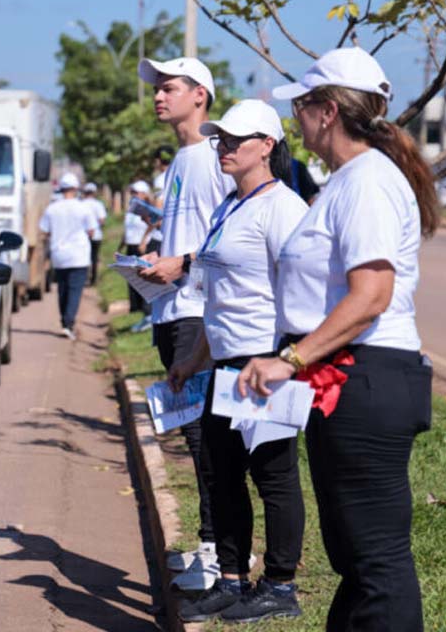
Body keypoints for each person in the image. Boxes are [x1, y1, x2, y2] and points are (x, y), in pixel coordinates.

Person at [238, 47, 439, 632]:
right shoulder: (351, 180)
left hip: (366, 380)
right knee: (356, 557)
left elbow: (371, 293)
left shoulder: (368, 182)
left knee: (376, 561)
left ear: (327, 111)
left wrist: (291, 358)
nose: (294, 120)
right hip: (348, 378)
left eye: (300, 106)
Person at [167, 100, 309, 623]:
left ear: (266, 146)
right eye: (219, 140)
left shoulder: (283, 208)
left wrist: (285, 360)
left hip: (263, 362)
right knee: (221, 471)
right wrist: (192, 359)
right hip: (225, 363)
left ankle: (280, 585)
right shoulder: (230, 206)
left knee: (273, 475)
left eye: (234, 140)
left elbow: (302, 295)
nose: (223, 148)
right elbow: (216, 297)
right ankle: (231, 579)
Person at [135, 56, 236, 591]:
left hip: (197, 312)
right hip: (170, 307)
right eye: (156, 88)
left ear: (200, 95)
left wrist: (183, 263)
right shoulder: (181, 159)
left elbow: (231, 236)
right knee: (192, 434)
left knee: (204, 438)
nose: (158, 95)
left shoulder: (212, 160)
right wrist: (157, 256)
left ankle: (218, 555)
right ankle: (207, 546)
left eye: (169, 87)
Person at [39, 172, 98, 340]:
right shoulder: (83, 207)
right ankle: (68, 323)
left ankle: (65, 322)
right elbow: (92, 231)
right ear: (76, 188)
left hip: (59, 255)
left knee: (62, 290)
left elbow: (44, 230)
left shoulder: (52, 209)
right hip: (79, 255)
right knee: (75, 290)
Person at [121, 180, 152, 320]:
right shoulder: (131, 208)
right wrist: (122, 243)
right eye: (132, 192)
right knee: (131, 277)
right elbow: (127, 228)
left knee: (144, 277)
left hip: (142, 246)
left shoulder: (148, 208)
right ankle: (134, 307)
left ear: (144, 194)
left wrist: (144, 241)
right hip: (131, 244)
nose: (134, 195)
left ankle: (146, 308)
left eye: (136, 192)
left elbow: (151, 225)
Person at [81, 182, 107, 285]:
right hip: (96, 235)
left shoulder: (81, 204)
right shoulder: (98, 204)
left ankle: (84, 278)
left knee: (84, 257)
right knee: (94, 257)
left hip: (83, 236)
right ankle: (93, 280)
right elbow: (102, 220)